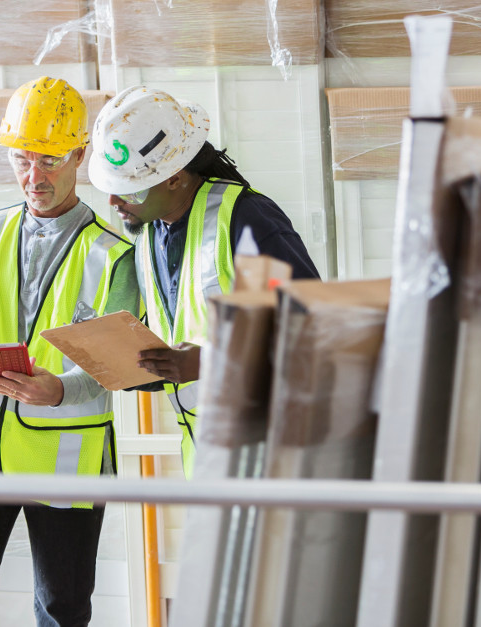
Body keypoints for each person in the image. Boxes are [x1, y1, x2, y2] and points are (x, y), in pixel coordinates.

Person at [0, 77, 139, 627]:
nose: (33, 177)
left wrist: (61, 388)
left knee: (62, 609)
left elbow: (115, 364)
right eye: (22, 160)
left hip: (64, 459)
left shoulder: (113, 256)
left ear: (79, 156)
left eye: (48, 160)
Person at [87, 85, 319, 478]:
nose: (114, 202)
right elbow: (182, 352)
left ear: (175, 178)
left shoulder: (247, 221)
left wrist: (206, 363)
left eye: (129, 189)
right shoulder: (149, 237)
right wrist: (133, 365)